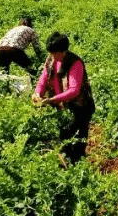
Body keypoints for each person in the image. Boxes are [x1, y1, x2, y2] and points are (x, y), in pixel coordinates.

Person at [33, 32, 94, 165]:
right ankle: (66, 164)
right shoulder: (51, 59)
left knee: (78, 138)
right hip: (62, 105)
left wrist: (53, 99)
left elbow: (74, 90)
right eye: (51, 53)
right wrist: (38, 93)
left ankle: (79, 167)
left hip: (80, 106)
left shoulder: (75, 63)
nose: (52, 56)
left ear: (63, 51)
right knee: (64, 136)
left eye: (55, 53)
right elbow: (43, 79)